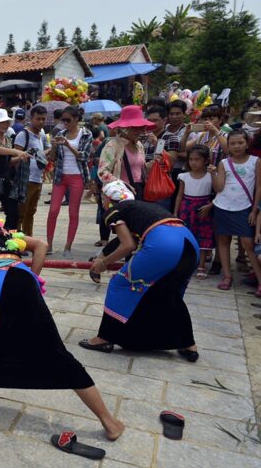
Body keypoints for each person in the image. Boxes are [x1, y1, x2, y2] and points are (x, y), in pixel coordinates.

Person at [0, 214, 124, 440]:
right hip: (22, 278)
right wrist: (33, 278)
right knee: (57, 352)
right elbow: (42, 246)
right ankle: (109, 421)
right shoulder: (0, 230)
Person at [80, 180, 200, 362]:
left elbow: (127, 245)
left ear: (107, 198)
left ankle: (104, 338)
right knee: (168, 291)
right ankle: (188, 344)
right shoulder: (141, 206)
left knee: (119, 284)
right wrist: (103, 257)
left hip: (164, 246)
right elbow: (123, 242)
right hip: (189, 243)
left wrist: (103, 263)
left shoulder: (113, 210)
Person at [211, 129, 261, 293]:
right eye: (232, 143)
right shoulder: (224, 163)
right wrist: (213, 174)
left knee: (248, 243)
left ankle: (260, 279)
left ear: (247, 144)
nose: (237, 146)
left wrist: (254, 210)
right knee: (223, 241)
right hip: (222, 206)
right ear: (228, 146)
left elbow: (259, 187)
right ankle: (227, 275)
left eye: (240, 142)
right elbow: (219, 188)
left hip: (244, 207)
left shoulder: (256, 161)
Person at [46, 106, 93, 257]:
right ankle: (49, 244)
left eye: (68, 120)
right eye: (63, 120)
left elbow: (84, 157)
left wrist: (68, 145)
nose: (65, 123)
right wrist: (54, 146)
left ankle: (68, 246)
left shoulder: (86, 134)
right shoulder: (61, 133)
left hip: (77, 176)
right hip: (60, 175)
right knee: (53, 210)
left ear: (76, 119)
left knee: (73, 213)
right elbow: (52, 158)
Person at [97, 105, 157, 201]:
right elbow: (102, 172)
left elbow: (140, 170)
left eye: (141, 128)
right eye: (135, 128)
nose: (139, 131)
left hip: (139, 191)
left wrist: (154, 162)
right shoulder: (113, 145)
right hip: (120, 195)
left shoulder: (139, 145)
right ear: (125, 128)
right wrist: (123, 185)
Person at [174, 145, 214, 280]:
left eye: (197, 159)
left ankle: (201, 265)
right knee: (186, 237)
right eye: (191, 159)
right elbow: (179, 195)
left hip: (203, 209)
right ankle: (186, 263)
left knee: (203, 237)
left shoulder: (211, 176)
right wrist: (175, 213)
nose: (193, 162)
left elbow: (219, 193)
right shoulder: (184, 176)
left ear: (206, 160)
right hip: (187, 208)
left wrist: (210, 205)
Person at [14, 106, 50, 236]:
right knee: (20, 213)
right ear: (31, 119)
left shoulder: (41, 135)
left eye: (43, 119)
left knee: (31, 212)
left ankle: (28, 238)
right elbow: (16, 157)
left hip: (38, 178)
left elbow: (41, 155)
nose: (41, 122)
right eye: (38, 119)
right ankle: (16, 240)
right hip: (26, 180)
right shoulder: (23, 135)